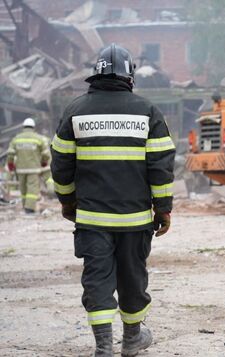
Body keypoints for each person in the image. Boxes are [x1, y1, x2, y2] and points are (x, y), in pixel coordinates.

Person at [51, 43, 175, 356]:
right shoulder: (147, 110)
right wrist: (163, 210)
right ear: (130, 76)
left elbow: (61, 164)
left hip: (92, 220)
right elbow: (161, 166)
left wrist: (67, 202)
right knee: (133, 279)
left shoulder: (75, 111)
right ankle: (132, 339)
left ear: (96, 74)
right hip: (135, 221)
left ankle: (103, 348)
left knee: (97, 282)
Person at [6, 117, 50, 214]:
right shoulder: (38, 138)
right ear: (33, 127)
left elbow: (10, 154)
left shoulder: (16, 139)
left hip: (20, 169)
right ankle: (29, 208)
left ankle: (25, 205)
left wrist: (10, 164)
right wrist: (44, 162)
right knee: (32, 188)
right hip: (34, 169)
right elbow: (46, 154)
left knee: (22, 188)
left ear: (23, 127)